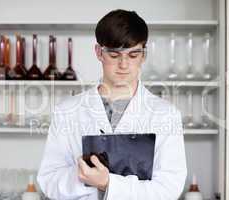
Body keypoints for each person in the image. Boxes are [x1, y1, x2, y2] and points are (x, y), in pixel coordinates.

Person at [37, 9, 187, 200]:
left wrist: (108, 183)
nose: (124, 65)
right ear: (99, 52)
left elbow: (168, 189)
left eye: (133, 55)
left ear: (144, 55)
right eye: (115, 55)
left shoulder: (166, 114)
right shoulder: (66, 111)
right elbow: (49, 179)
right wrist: (83, 176)